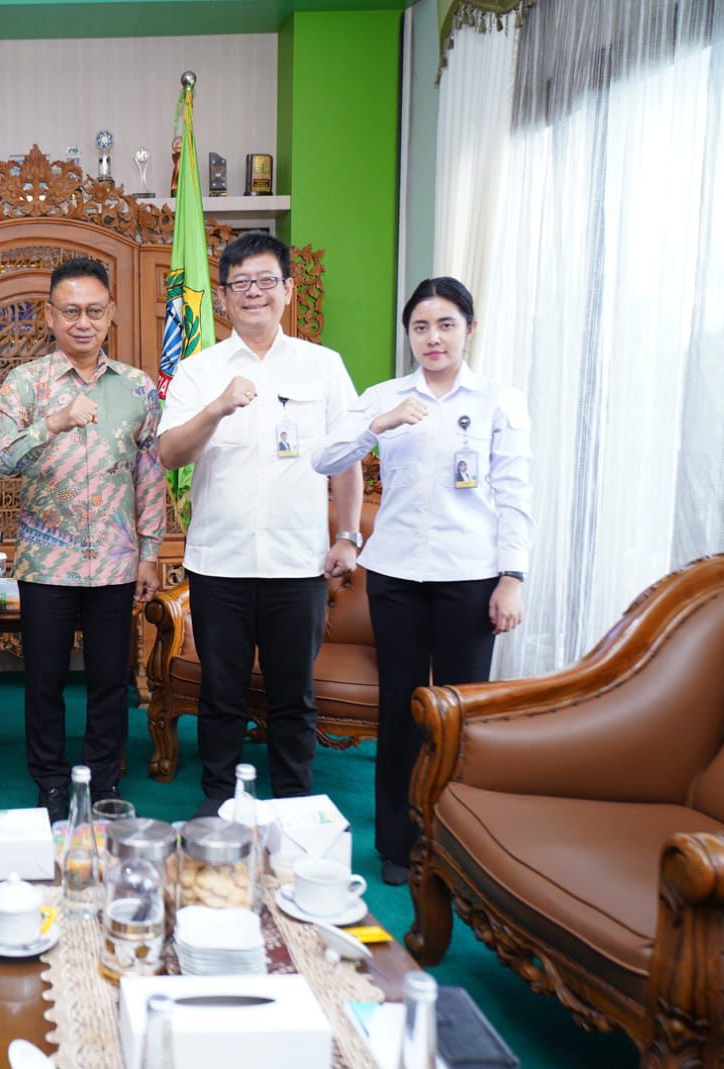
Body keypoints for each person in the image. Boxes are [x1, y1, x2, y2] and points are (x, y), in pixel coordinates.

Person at [313, 276, 532, 886]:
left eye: (445, 325)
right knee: (401, 708)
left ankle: (458, 844)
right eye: (420, 327)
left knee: (463, 714)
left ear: (469, 328)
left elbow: (515, 494)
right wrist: (376, 424)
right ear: (407, 332)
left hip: (471, 576)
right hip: (397, 575)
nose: (432, 338)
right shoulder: (385, 395)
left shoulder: (499, 401)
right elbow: (324, 459)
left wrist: (512, 577)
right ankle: (398, 842)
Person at [157, 230, 362, 815]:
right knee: (221, 694)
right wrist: (217, 406)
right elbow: (170, 454)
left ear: (288, 290)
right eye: (240, 283)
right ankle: (220, 803)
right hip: (219, 562)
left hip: (298, 563)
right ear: (222, 297)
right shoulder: (199, 370)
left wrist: (346, 535)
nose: (253, 293)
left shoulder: (323, 367)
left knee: (293, 695)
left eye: (265, 281)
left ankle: (293, 805)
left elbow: (348, 458)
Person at [0, 257, 164, 823]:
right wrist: (52, 423)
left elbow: (151, 474)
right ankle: (50, 781)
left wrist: (151, 552)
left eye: (93, 311)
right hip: (47, 564)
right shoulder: (25, 383)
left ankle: (104, 778)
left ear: (110, 313)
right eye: (70, 311)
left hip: (114, 563)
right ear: (50, 315)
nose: (82, 322)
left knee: (111, 680)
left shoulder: (137, 388)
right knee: (45, 680)